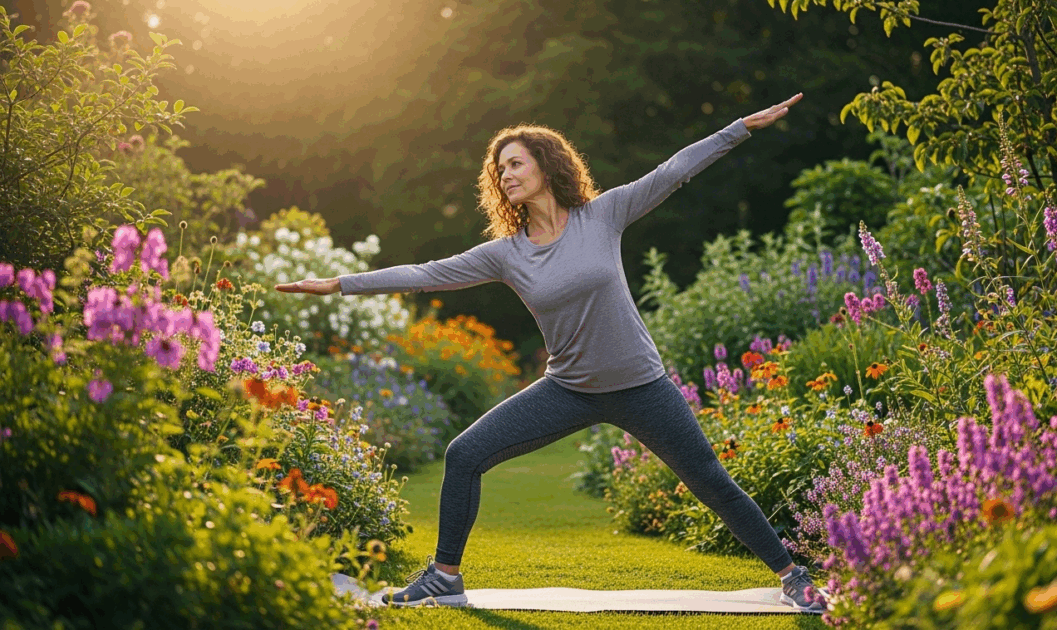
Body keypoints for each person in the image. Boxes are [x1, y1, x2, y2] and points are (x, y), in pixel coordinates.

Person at [275, 93, 829, 612]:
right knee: (464, 454)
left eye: (515, 163)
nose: (506, 175)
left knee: (711, 480)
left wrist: (739, 129)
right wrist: (341, 283)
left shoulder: (602, 216)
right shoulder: (507, 253)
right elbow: (428, 273)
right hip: (568, 390)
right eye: (500, 170)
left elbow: (673, 171)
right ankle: (444, 578)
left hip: (641, 384)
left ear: (546, 164)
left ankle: (792, 576)